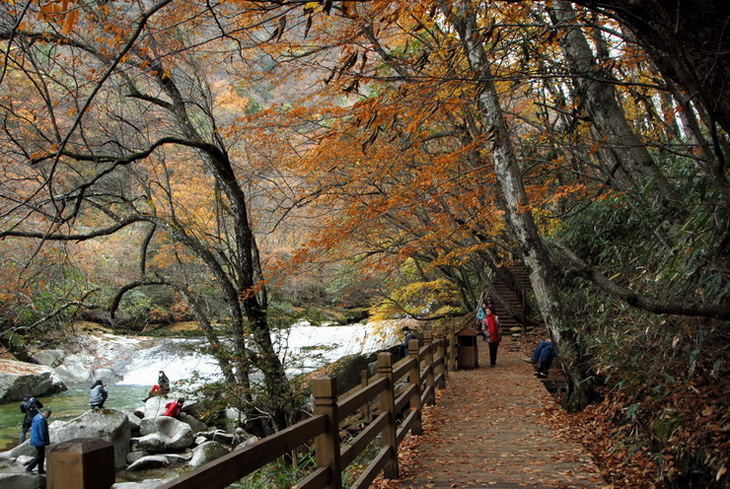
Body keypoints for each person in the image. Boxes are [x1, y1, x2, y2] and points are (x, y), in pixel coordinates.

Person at [25, 409, 52, 474]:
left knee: (41, 455)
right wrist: (44, 439)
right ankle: (29, 468)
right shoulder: (42, 420)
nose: (48, 417)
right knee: (39, 456)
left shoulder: (36, 417)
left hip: (35, 439)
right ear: (47, 414)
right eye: (48, 415)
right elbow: (42, 431)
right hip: (39, 440)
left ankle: (41, 470)